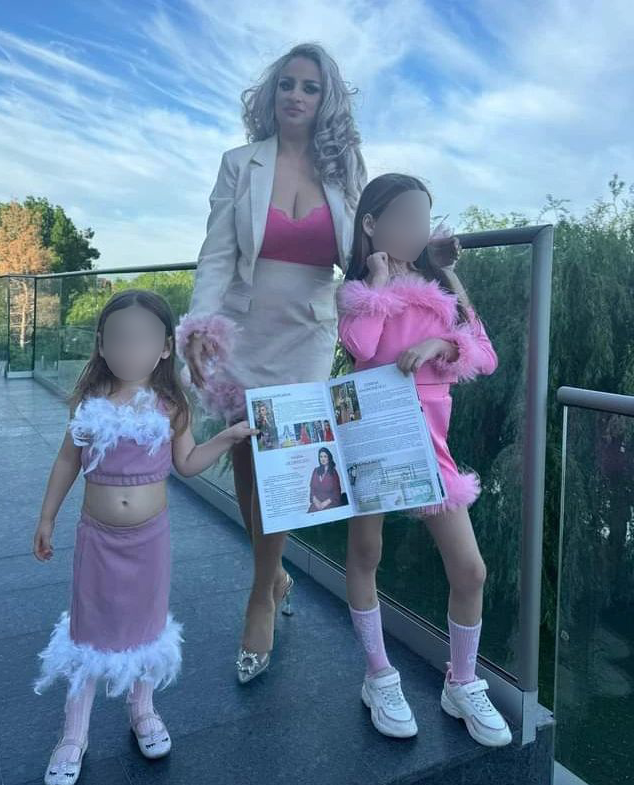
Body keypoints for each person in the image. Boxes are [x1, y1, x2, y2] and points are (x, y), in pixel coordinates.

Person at [177, 43, 459, 684]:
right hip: (243, 331)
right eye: (287, 85)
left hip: (306, 332)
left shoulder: (343, 168)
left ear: (325, 98)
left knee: (283, 463)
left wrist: (425, 248)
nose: (296, 96)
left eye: (309, 87)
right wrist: (199, 325)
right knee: (248, 466)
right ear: (271, 95)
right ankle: (273, 574)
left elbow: (371, 241)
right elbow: (217, 254)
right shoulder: (238, 163)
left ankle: (257, 602)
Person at [31, 289, 255, 785]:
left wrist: (228, 437)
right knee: (88, 629)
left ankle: (143, 709)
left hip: (150, 541)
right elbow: (68, 460)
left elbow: (188, 463)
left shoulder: (171, 406)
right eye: (119, 339)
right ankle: (74, 733)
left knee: (147, 626)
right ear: (102, 346)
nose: (130, 348)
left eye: (142, 339)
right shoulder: (90, 405)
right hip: (98, 538)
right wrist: (47, 516)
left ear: (164, 348)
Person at [336, 174, 512, 748]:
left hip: (430, 445)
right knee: (366, 554)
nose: (416, 230)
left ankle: (461, 681)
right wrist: (380, 283)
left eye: (423, 219)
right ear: (372, 224)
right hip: (374, 435)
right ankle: (379, 675)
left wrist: (441, 341)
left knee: (471, 570)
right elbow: (360, 346)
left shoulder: (440, 290)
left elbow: (483, 356)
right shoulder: (361, 289)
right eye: (405, 218)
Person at [308, 447, 343, 512]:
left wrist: (323, 504)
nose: (323, 459)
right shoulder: (315, 470)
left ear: (329, 458)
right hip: (317, 503)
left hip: (330, 503)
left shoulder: (333, 472)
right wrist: (316, 502)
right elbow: (312, 489)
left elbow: (337, 492)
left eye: (325, 456)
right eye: (321, 457)